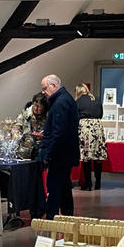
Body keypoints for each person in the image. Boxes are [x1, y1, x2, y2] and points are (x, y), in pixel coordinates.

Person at [39, 74, 79, 219]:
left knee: (55, 188)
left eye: (45, 88)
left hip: (59, 154)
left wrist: (47, 155)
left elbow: (59, 133)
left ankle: (52, 219)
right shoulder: (66, 99)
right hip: (65, 153)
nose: (43, 92)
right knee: (64, 187)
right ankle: (67, 217)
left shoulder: (60, 102)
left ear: (54, 86)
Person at [74, 84, 107, 191]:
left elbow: (75, 116)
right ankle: (98, 183)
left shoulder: (78, 101)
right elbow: (101, 114)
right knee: (97, 157)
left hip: (84, 128)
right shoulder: (96, 99)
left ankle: (88, 184)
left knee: (86, 157)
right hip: (97, 127)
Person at [15, 92, 48, 160]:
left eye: (39, 106)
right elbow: (17, 126)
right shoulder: (25, 114)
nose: (36, 108)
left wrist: (43, 136)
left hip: (41, 153)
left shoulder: (48, 117)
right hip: (24, 153)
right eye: (35, 105)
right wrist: (15, 132)